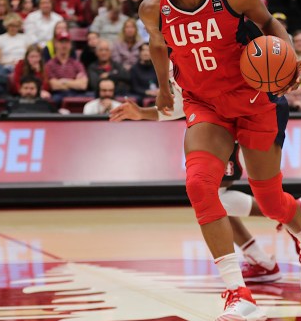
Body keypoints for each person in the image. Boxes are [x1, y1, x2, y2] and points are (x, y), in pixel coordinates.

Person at [138, 0, 301, 321]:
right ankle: (238, 294)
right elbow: (157, 45)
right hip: (206, 106)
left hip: (256, 101)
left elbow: (272, 25)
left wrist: (289, 61)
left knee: (271, 201)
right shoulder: (153, 7)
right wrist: (163, 84)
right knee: (199, 186)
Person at [110, 81, 284, 284]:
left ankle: (286, 212)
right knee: (214, 200)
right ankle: (263, 257)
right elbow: (180, 106)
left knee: (213, 197)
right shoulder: (176, 60)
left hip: (228, 131)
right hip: (212, 131)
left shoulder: (187, 55)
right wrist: (142, 113)